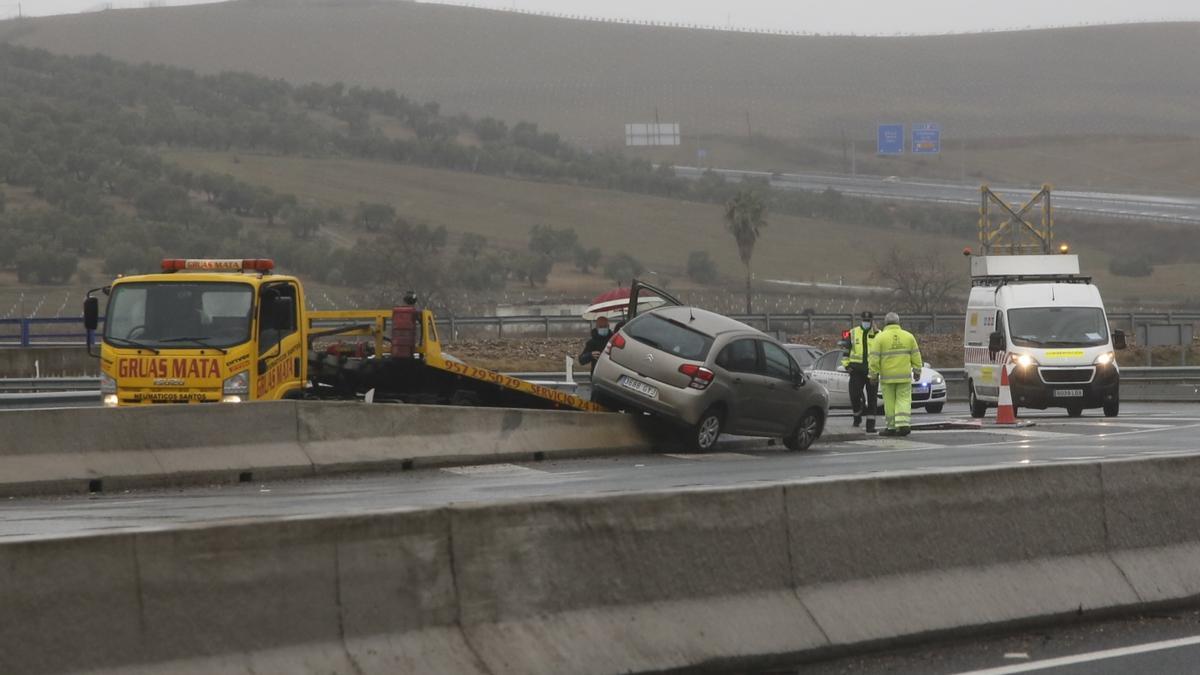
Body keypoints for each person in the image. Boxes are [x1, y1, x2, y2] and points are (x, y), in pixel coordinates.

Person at [868, 312, 922, 437]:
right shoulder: (908, 337)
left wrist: (873, 375)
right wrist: (917, 371)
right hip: (904, 376)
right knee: (903, 400)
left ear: (885, 323)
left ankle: (891, 427)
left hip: (887, 378)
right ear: (898, 322)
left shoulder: (880, 338)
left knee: (889, 402)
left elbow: (874, 359)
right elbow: (916, 355)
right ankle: (903, 425)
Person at [841, 311, 879, 431]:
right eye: (865, 320)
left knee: (872, 398)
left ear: (872, 321)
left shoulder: (879, 334)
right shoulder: (852, 333)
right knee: (854, 395)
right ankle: (857, 415)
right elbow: (845, 351)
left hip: (872, 370)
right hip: (856, 371)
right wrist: (847, 366)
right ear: (861, 320)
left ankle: (870, 425)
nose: (866, 323)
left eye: (869, 321)